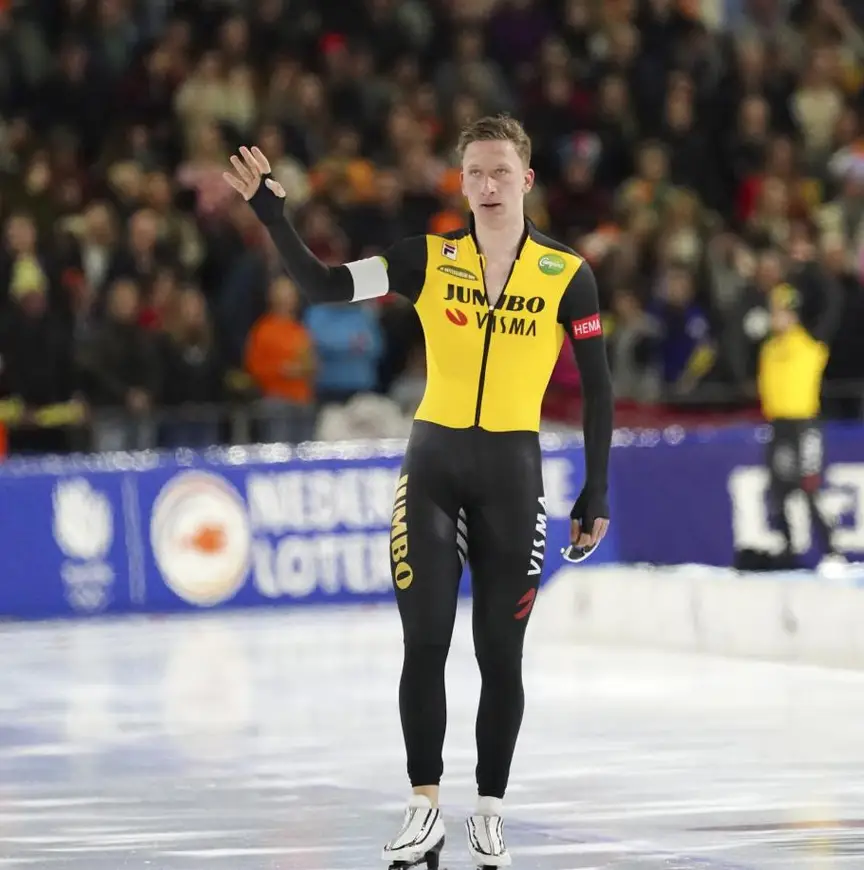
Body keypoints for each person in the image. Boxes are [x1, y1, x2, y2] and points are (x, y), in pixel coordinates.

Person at [223, 115, 613, 869]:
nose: (489, 185)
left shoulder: (570, 274)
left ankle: (489, 812)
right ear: (460, 183)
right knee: (425, 643)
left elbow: (598, 390)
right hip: (432, 469)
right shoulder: (425, 259)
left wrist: (595, 491)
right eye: (477, 173)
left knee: (500, 653)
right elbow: (323, 285)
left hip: (513, 478)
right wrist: (273, 215)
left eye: (502, 172)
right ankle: (424, 806)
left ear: (527, 180)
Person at [758, 281, 843, 569]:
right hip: (778, 425)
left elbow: (832, 308)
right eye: (774, 311)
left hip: (804, 425)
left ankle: (831, 551)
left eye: (782, 311)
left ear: (793, 314)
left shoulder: (810, 345)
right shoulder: (769, 349)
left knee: (809, 487)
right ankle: (788, 550)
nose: (777, 317)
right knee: (778, 490)